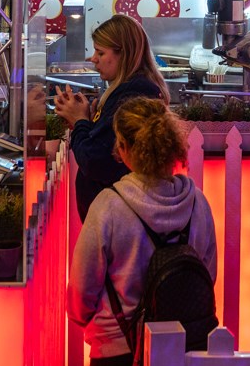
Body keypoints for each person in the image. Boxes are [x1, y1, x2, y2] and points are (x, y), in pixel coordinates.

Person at [67, 98, 215, 366]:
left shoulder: (109, 206)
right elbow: (207, 273)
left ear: (123, 148)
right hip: (178, 346)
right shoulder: (197, 202)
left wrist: (84, 319)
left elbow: (82, 289)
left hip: (117, 350)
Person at [53, 14, 169, 219]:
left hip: (118, 219)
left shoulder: (133, 95)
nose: (93, 59)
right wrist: (89, 122)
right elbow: (104, 144)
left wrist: (80, 121)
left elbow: (95, 161)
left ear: (124, 54)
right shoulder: (125, 90)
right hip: (111, 217)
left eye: (100, 52)